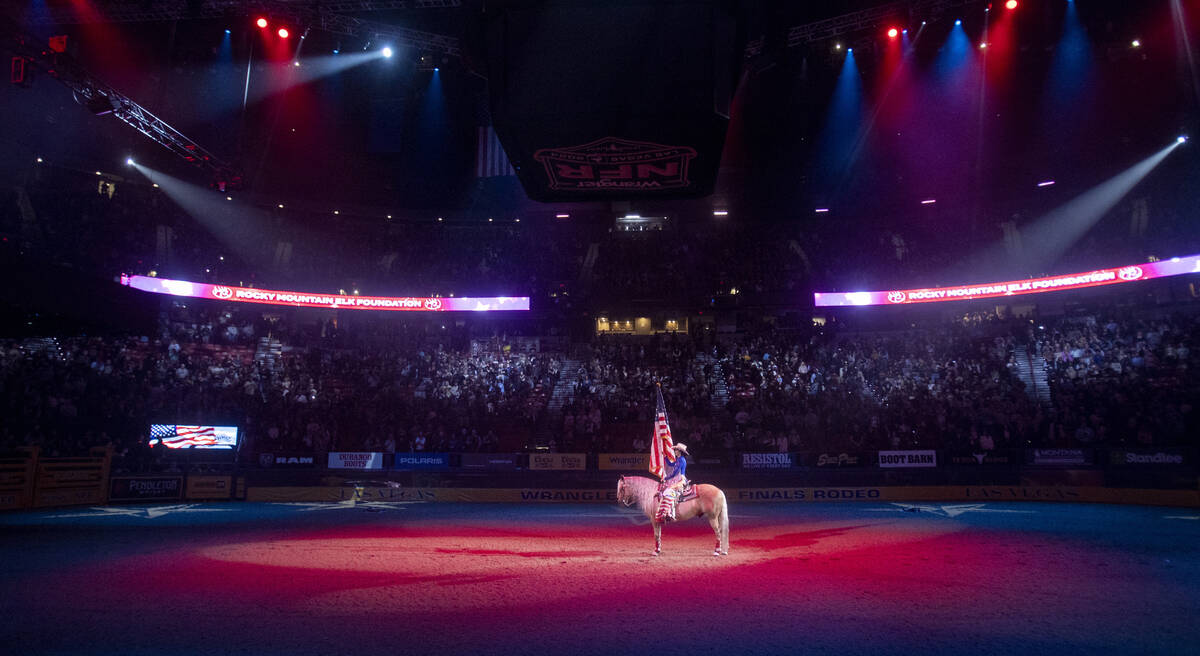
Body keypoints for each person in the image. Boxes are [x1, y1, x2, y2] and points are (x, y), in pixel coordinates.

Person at [656, 443, 690, 522]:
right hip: (677, 478)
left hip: (681, 479)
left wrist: (665, 478)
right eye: (675, 449)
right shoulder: (678, 459)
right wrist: (665, 457)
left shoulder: (681, 460)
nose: (674, 451)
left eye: (676, 450)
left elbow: (675, 473)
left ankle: (671, 513)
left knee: (669, 490)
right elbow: (671, 464)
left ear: (679, 451)